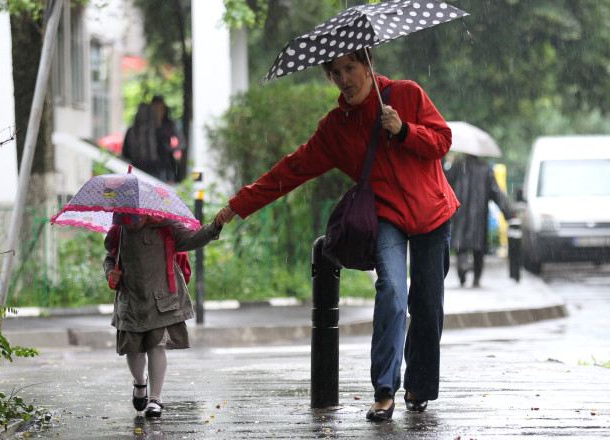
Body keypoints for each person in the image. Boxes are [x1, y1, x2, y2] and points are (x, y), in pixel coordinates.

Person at [215, 48, 459, 421]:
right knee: (392, 293)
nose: (344, 78)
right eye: (335, 72)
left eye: (351, 68)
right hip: (387, 216)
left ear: (368, 65)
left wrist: (404, 130)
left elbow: (442, 140)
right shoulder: (335, 128)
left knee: (427, 305)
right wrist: (238, 205)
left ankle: (419, 386)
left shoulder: (406, 94)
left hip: (432, 212)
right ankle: (384, 390)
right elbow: (290, 170)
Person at [104, 212, 223, 418]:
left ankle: (155, 399)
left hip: (160, 299)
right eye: (124, 219)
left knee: (156, 346)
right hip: (130, 300)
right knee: (133, 350)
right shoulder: (118, 232)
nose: (129, 225)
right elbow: (110, 257)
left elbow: (193, 238)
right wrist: (110, 273)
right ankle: (140, 382)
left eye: (133, 220)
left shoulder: (166, 227)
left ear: (144, 213)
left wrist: (215, 226)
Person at [445, 153, 513, 287]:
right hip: (479, 215)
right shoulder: (485, 168)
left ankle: (462, 268)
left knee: (461, 246)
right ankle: (476, 277)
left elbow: (445, 185)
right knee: (478, 248)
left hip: (460, 213)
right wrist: (508, 213)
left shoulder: (458, 166)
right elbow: (496, 193)